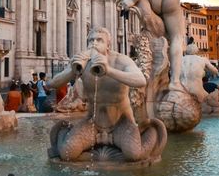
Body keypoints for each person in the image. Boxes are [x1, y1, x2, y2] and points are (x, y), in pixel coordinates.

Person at [48, 27, 157, 161]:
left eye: (99, 40)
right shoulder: (82, 62)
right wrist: (72, 71)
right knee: (67, 153)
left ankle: (151, 131)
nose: (94, 43)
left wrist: (109, 70)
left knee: (133, 154)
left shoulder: (120, 60)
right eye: (91, 40)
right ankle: (64, 131)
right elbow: (52, 84)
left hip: (120, 123)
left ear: (108, 45)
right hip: (93, 123)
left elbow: (140, 80)